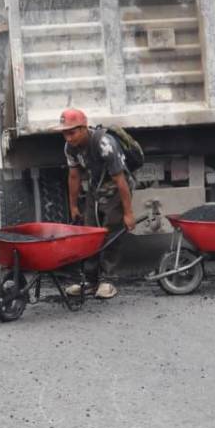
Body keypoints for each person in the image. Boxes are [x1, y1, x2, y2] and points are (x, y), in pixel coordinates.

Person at [55, 108, 137, 300]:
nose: (68, 137)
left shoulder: (104, 144)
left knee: (112, 231)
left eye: (72, 132)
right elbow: (74, 176)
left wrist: (128, 213)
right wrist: (73, 206)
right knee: (89, 233)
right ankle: (90, 281)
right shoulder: (70, 148)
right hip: (96, 187)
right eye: (64, 133)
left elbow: (121, 180)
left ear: (83, 128)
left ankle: (108, 280)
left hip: (117, 189)